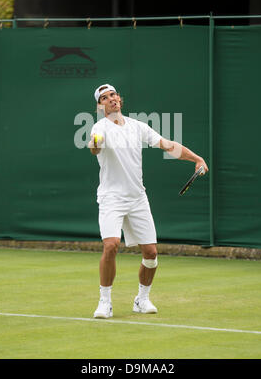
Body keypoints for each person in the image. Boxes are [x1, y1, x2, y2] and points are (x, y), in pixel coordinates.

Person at [88, 84, 208, 319]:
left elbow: (167, 145)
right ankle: (105, 302)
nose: (110, 99)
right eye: (104, 98)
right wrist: (95, 143)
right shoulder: (98, 128)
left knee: (151, 253)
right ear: (100, 106)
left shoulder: (137, 126)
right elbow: (94, 147)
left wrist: (196, 158)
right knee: (111, 245)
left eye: (112, 95)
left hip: (137, 198)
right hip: (111, 198)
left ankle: (141, 300)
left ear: (119, 99)